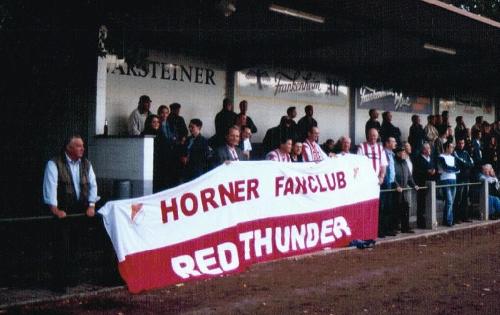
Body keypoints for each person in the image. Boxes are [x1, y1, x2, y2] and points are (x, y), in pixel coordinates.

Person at [43, 135, 98, 292]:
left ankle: (72, 278)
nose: (83, 148)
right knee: (61, 246)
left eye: (82, 145)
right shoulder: (54, 164)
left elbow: (93, 185)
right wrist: (55, 209)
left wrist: (91, 205)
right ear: (69, 148)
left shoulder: (86, 164)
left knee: (76, 245)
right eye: (79, 146)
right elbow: (50, 187)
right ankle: (59, 283)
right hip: (63, 211)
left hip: (79, 210)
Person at [394, 146, 419, 233]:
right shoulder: (393, 162)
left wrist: (414, 185)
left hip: (404, 189)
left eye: (404, 152)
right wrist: (396, 185)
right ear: (398, 153)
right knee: (396, 209)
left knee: (405, 208)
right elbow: (392, 176)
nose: (404, 154)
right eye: (402, 152)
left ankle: (405, 227)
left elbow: (409, 176)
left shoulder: (404, 162)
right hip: (396, 190)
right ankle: (396, 227)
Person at [413, 142, 436, 228]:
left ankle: (429, 220)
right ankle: (421, 222)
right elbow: (416, 171)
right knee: (421, 204)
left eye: (429, 148)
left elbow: (434, 167)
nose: (429, 150)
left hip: (431, 183)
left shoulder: (431, 158)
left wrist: (433, 171)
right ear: (423, 150)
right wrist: (427, 172)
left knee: (429, 203)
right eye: (427, 148)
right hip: (422, 183)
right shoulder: (418, 159)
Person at [437, 141, 460, 226]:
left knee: (451, 201)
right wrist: (453, 169)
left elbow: (458, 168)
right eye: (451, 147)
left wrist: (452, 169)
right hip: (445, 180)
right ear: (446, 147)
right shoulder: (441, 157)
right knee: (449, 201)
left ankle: (446, 219)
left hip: (453, 179)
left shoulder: (453, 157)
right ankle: (449, 220)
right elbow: (445, 168)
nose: (452, 149)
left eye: (453, 147)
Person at [453, 138, 474, 223]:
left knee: (465, 198)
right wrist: (466, 164)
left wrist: (465, 164)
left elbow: (472, 164)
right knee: (458, 198)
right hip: (459, 179)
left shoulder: (466, 153)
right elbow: (460, 163)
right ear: (457, 144)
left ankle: (465, 217)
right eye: (460, 143)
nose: (461, 145)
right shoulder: (455, 153)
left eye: (463, 143)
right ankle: (457, 218)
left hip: (466, 178)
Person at [380, 137, 398, 236]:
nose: (395, 143)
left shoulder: (392, 155)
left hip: (391, 183)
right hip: (385, 183)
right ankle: (382, 230)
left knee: (389, 207)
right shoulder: (383, 153)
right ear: (387, 143)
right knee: (383, 207)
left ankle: (388, 229)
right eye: (393, 141)